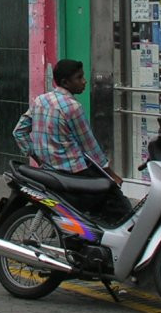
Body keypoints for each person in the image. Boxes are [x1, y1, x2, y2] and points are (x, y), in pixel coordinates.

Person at [13, 59, 131, 223]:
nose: (84, 81)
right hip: (74, 172)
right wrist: (111, 175)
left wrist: (37, 157)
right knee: (120, 205)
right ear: (65, 82)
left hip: (49, 171)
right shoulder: (72, 107)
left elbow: (19, 132)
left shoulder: (40, 100)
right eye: (79, 77)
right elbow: (90, 147)